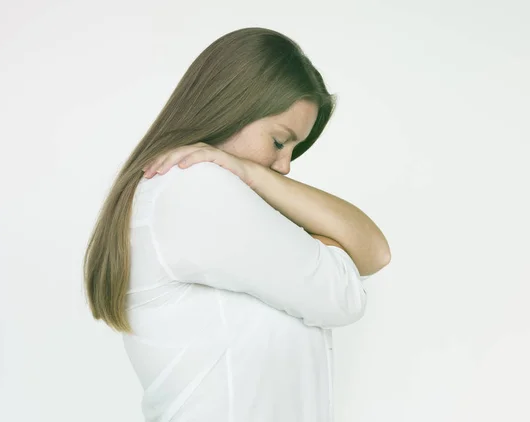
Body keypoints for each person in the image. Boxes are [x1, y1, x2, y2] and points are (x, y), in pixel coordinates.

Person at [83, 27, 391, 421]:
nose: (285, 166)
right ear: (230, 108)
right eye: (279, 142)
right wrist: (257, 181)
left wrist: (252, 172)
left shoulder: (202, 191)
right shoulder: (193, 188)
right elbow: (344, 296)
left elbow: (375, 252)